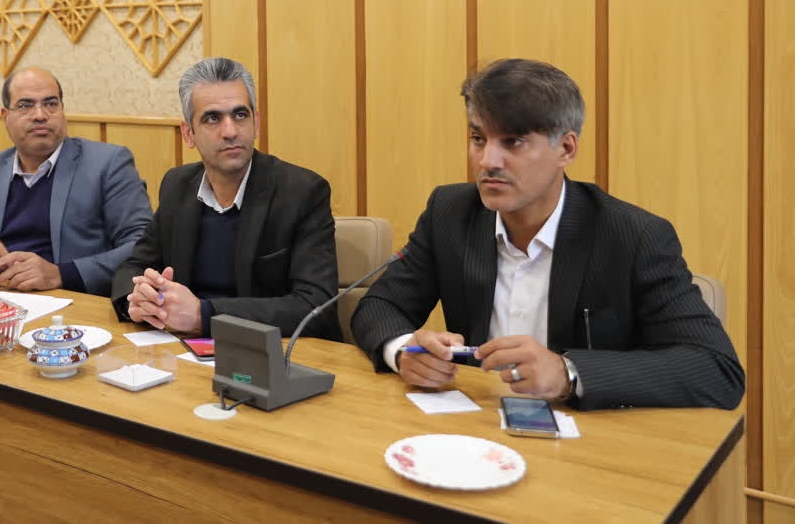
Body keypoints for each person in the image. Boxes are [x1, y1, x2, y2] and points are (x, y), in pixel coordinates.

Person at [351, 58, 745, 410]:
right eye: (478, 139)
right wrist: (403, 351)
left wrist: (568, 373)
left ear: (566, 149)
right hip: (476, 430)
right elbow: (380, 306)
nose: (488, 160)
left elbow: (716, 368)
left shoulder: (633, 236)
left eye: (513, 142)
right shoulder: (451, 213)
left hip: (591, 444)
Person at [111, 57, 338, 339]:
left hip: (268, 352)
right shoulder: (177, 186)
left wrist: (204, 315)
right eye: (212, 118)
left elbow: (316, 307)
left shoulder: (302, 192)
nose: (230, 131)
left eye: (240, 115)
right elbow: (132, 267)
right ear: (188, 133)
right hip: (182, 349)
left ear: (256, 122)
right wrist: (140, 300)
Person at [0, 67, 151, 295]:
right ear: (5, 116)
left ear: (62, 110)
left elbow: (142, 247)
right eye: (25, 105)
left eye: (50, 104)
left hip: (73, 304)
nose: (40, 115)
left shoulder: (107, 164)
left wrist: (61, 274)